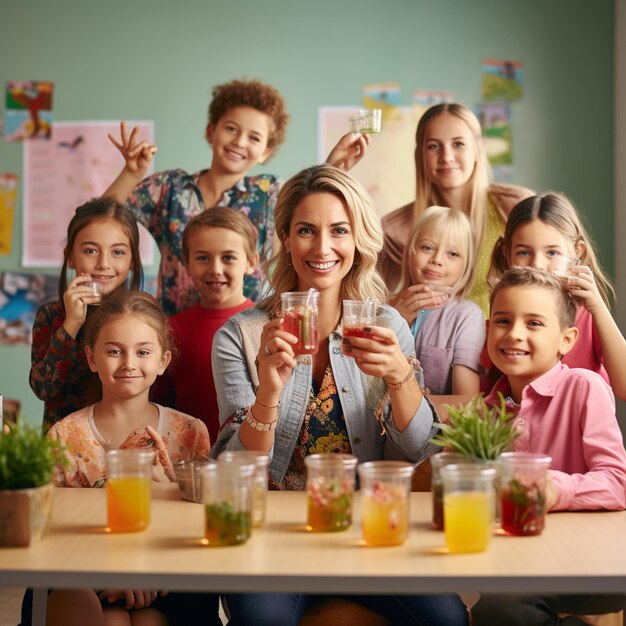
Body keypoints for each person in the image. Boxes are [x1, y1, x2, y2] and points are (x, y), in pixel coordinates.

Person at [210, 164, 468, 626]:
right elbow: (236, 471)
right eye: (306, 230)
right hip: (273, 533)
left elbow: (416, 453)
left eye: (339, 231)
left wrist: (400, 379)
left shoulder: (386, 326)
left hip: (366, 528)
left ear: (357, 241)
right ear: (286, 239)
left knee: (446, 619)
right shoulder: (242, 335)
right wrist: (269, 391)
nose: (323, 247)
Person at [104, 78, 370, 314]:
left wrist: (331, 167)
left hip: (246, 341)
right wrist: (130, 172)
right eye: (231, 129)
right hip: (174, 338)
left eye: (254, 138)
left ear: (266, 151)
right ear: (211, 131)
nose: (240, 142)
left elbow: (310, 207)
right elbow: (100, 223)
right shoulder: (169, 188)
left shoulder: (269, 194)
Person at [36, 290, 217, 626]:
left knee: (148, 621)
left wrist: (146, 569)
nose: (129, 363)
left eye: (143, 352)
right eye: (114, 351)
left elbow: (199, 525)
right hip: (83, 571)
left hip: (168, 574)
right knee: (111, 619)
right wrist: (109, 573)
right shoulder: (64, 435)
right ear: (92, 359)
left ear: (163, 361)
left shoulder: (191, 431)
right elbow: (51, 530)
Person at [472, 266, 626, 626]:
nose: (515, 334)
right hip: (517, 558)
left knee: (499, 608)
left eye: (534, 324)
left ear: (567, 340)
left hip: (592, 560)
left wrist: (555, 489)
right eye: (503, 321)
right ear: (486, 329)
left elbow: (618, 481)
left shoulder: (583, 387)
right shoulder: (484, 411)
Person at [381, 102, 534, 316]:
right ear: (420, 155)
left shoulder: (513, 206)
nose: (446, 157)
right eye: (433, 146)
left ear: (477, 149)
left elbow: (547, 284)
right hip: (426, 347)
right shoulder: (396, 227)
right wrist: (398, 311)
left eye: (458, 144)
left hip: (503, 345)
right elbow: (367, 297)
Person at [484, 191, 626, 400]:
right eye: (524, 252)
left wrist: (597, 308)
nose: (537, 265)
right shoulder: (505, 309)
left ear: (578, 252)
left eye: (552, 253)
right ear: (507, 253)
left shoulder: (588, 314)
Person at [29, 197, 143, 432]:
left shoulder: (144, 318)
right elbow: (43, 388)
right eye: (90, 250)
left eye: (118, 252)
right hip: (63, 450)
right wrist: (71, 324)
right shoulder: (51, 316)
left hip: (125, 445)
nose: (103, 263)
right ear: (70, 256)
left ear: (132, 260)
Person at [152, 207, 257, 443]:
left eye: (228, 257)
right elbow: (159, 407)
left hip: (250, 459)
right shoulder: (170, 330)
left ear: (251, 262)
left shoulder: (267, 324)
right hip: (189, 463)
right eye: (202, 258)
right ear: (186, 265)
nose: (215, 270)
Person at [393, 205, 484, 395]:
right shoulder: (383, 306)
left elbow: (466, 402)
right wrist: (395, 320)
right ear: (410, 252)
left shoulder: (467, 316)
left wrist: (410, 410)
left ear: (466, 265)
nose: (437, 259)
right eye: (427, 247)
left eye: (453, 254)